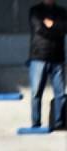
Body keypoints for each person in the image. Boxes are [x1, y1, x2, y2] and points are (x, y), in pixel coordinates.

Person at [29, 0, 66, 130]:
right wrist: (56, 29)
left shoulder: (62, 12)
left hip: (58, 58)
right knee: (36, 93)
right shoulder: (35, 11)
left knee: (60, 93)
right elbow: (39, 29)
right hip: (39, 57)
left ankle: (59, 123)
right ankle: (36, 123)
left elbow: (64, 29)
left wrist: (51, 25)